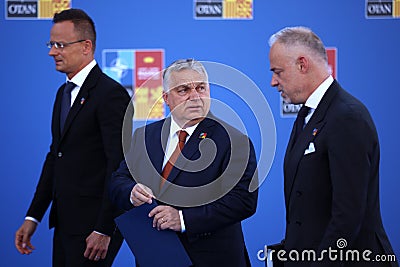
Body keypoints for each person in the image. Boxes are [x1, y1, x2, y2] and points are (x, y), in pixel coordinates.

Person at [267, 26, 398, 266]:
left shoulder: (347, 117)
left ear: (302, 65)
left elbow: (347, 216)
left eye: (278, 72)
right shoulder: (308, 114)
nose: (273, 82)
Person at [109, 59, 258, 267]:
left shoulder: (234, 141)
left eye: (201, 88)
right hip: (154, 256)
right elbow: (118, 180)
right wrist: (131, 191)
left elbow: (243, 201)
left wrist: (183, 218)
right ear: (166, 98)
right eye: (184, 90)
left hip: (210, 259)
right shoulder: (145, 136)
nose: (195, 97)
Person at [14, 8, 131, 267]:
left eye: (60, 45)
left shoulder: (110, 95)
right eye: (50, 44)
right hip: (66, 223)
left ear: (86, 46)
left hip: (94, 231)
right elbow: (55, 156)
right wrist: (33, 216)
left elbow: (120, 165)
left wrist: (104, 229)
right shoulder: (63, 93)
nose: (51, 52)